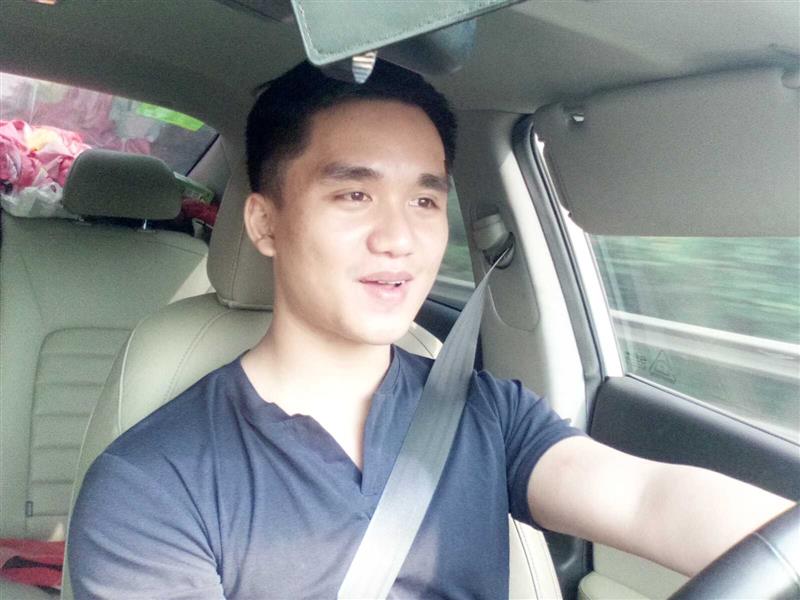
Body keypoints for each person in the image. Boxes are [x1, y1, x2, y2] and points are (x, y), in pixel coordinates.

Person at [68, 61, 793, 599]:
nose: (399, 240)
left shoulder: (485, 413)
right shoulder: (151, 485)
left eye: (423, 201)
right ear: (264, 223)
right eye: (354, 194)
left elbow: (645, 498)